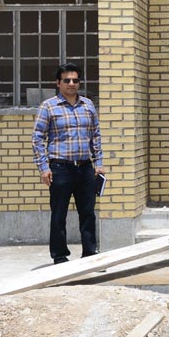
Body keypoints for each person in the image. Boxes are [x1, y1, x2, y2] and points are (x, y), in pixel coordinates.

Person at [32, 62, 105, 265]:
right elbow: (37, 138)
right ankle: (60, 257)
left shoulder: (88, 105)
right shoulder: (48, 106)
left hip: (85, 167)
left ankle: (90, 253)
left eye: (75, 80)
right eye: (67, 80)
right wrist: (43, 168)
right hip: (60, 168)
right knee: (59, 214)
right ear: (58, 83)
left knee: (88, 213)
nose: (71, 83)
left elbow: (95, 135)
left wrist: (98, 163)